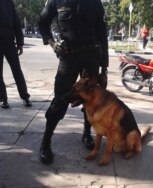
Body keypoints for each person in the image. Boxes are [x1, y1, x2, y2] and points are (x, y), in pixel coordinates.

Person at [38, 0, 109, 164]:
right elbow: (42, 23)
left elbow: (102, 35)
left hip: (92, 58)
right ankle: (46, 142)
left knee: (92, 101)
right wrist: (53, 44)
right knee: (60, 100)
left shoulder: (95, 3)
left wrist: (104, 68)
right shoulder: (57, 1)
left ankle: (86, 134)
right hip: (68, 58)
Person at [0, 0, 32, 109]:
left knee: (17, 71)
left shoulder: (7, 2)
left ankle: (25, 97)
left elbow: (16, 22)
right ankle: (3, 99)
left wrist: (20, 42)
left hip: (9, 42)